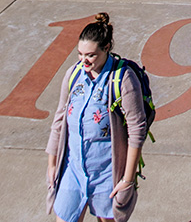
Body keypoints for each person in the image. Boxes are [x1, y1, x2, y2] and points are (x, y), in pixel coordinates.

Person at [47, 13, 147, 222]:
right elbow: (59, 120)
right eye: (80, 54)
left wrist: (127, 180)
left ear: (107, 47)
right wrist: (52, 163)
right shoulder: (74, 74)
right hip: (73, 168)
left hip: (106, 173)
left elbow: (137, 131)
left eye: (91, 55)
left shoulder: (123, 80)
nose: (84, 60)